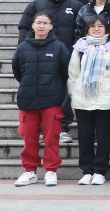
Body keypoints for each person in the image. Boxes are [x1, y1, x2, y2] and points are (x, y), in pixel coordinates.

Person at [13, 12, 70, 188]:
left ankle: (51, 171)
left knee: (51, 138)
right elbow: (17, 71)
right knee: (29, 138)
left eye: (45, 23)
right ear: (32, 25)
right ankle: (30, 171)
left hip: (51, 100)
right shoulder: (23, 47)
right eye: (38, 22)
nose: (41, 26)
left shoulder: (59, 47)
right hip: (28, 99)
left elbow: (65, 72)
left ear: (51, 26)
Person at [68, 14, 110, 185]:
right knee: (85, 137)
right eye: (93, 26)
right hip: (83, 99)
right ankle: (87, 170)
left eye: (100, 26)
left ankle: (100, 170)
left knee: (104, 137)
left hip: (106, 99)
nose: (96, 29)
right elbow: (73, 74)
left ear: (106, 29)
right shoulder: (80, 47)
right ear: (87, 29)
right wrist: (73, 97)